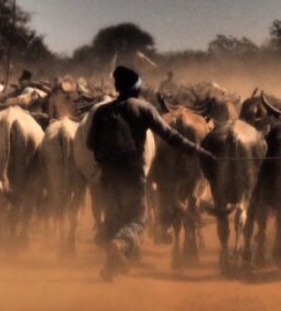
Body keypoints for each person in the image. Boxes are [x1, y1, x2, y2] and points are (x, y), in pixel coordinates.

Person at [88, 65, 214, 280]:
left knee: (112, 219)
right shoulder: (143, 108)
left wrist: (105, 160)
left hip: (108, 176)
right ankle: (120, 245)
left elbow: (90, 143)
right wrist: (198, 151)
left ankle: (111, 269)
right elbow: (170, 136)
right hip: (133, 174)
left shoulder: (101, 111)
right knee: (137, 220)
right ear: (135, 87)